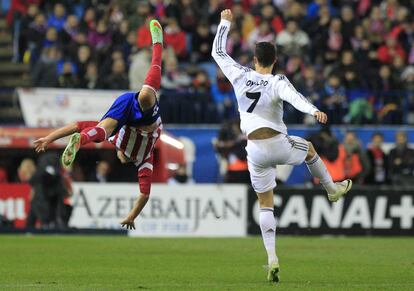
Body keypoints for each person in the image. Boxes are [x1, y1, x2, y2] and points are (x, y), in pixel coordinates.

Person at [211, 9, 352, 283]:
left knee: (266, 205)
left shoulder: (239, 75)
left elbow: (218, 52)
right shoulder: (278, 81)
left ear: (254, 60)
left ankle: (272, 258)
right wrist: (314, 111)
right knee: (309, 147)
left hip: (253, 150)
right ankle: (332, 190)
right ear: (275, 61)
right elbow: (295, 98)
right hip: (277, 143)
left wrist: (225, 22)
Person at [33, 19, 164, 231]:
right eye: (121, 158)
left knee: (104, 130)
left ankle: (82, 140)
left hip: (127, 112)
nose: (120, 157)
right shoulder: (144, 159)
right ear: (127, 159)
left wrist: (50, 138)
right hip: (142, 117)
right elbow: (144, 195)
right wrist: (132, 216)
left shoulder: (120, 143)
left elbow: (77, 125)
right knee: (146, 95)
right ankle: (158, 45)